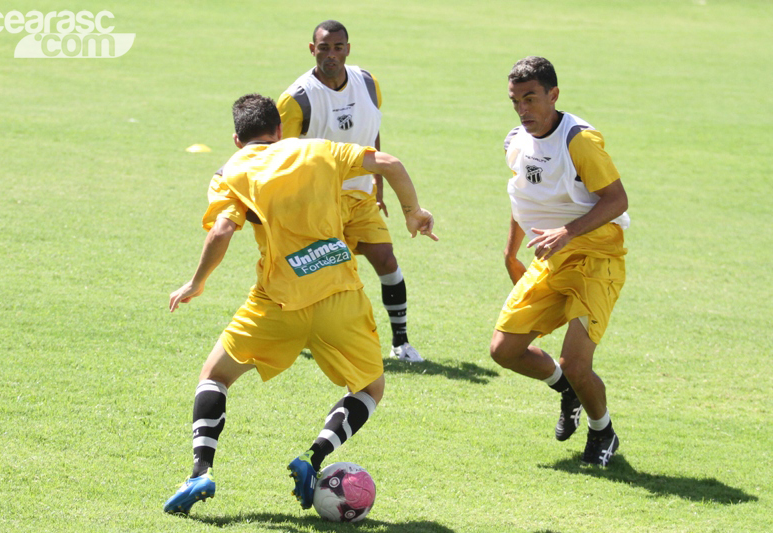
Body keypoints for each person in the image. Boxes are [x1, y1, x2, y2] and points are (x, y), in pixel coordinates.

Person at [163, 94, 437, 515]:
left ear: (238, 139)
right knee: (369, 388)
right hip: (340, 296)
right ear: (280, 130)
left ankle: (201, 471)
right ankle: (313, 459)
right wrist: (413, 212)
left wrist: (196, 283)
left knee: (214, 377)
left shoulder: (232, 171)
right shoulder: (319, 149)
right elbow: (390, 164)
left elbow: (221, 231)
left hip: (278, 302)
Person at [489, 57, 630, 467]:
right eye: (516, 101)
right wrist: (510, 251)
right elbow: (522, 200)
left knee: (575, 362)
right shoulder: (515, 140)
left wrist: (568, 231)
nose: (523, 109)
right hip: (551, 260)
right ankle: (565, 389)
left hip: (596, 259)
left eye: (531, 98)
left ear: (553, 95)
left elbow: (617, 200)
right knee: (504, 349)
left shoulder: (579, 141)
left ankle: (603, 431)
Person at [276, 20, 424, 363]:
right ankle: (301, 333)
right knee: (321, 271)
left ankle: (401, 342)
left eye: (338, 47)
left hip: (361, 196)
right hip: (317, 200)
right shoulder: (296, 99)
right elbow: (282, 158)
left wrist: (379, 186)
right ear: (312, 50)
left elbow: (372, 133)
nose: (331, 54)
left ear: (348, 48)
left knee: (386, 260)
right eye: (324, 48)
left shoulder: (368, 83)